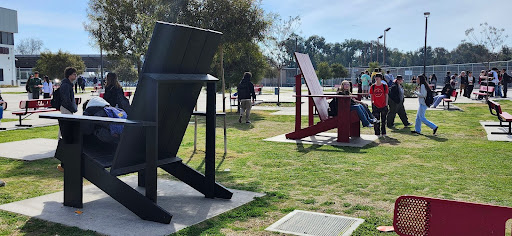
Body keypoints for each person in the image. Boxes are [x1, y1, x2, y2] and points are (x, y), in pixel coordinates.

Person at [56, 67, 78, 172]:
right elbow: (66, 100)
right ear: (69, 75)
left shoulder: (68, 85)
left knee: (67, 132)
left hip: (68, 110)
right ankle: (64, 160)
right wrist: (73, 108)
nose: (75, 76)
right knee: (65, 132)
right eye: (74, 74)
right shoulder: (65, 85)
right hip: (66, 110)